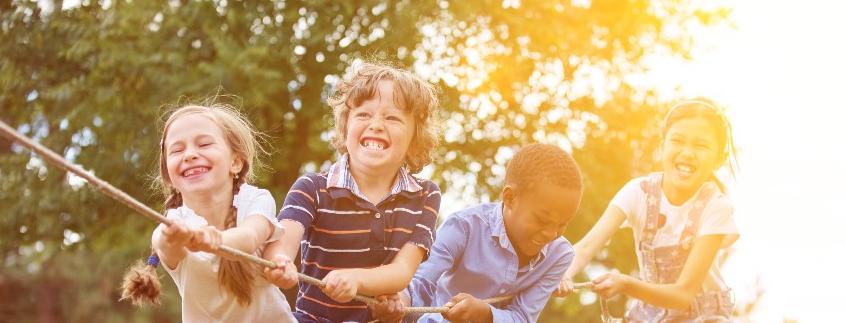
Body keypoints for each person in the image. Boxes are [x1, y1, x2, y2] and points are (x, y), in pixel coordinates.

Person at [263, 62, 444, 323]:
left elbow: (403, 270)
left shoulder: (425, 196)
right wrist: (278, 263)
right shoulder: (312, 188)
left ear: (415, 138)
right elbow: (283, 241)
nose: (377, 125)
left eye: (392, 118)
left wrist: (355, 279)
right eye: (363, 115)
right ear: (345, 127)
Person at [555, 98, 740, 322]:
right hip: (653, 314)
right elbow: (585, 248)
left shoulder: (716, 207)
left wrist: (624, 283)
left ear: (719, 158)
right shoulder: (638, 192)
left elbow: (683, 294)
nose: (687, 152)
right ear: (662, 147)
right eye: (678, 141)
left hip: (702, 316)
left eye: (700, 145)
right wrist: (562, 273)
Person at [120, 102, 295, 322]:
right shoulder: (176, 219)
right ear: (169, 177)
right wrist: (170, 237)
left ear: (236, 162)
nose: (190, 155)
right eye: (177, 150)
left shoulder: (255, 200)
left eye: (203, 144)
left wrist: (214, 240)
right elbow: (163, 243)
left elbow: (250, 236)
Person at [371, 143, 584, 323]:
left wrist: (485, 314)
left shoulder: (560, 255)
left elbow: (523, 317)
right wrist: (399, 302)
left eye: (563, 224)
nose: (551, 233)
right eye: (541, 220)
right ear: (509, 198)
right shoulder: (464, 227)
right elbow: (423, 280)